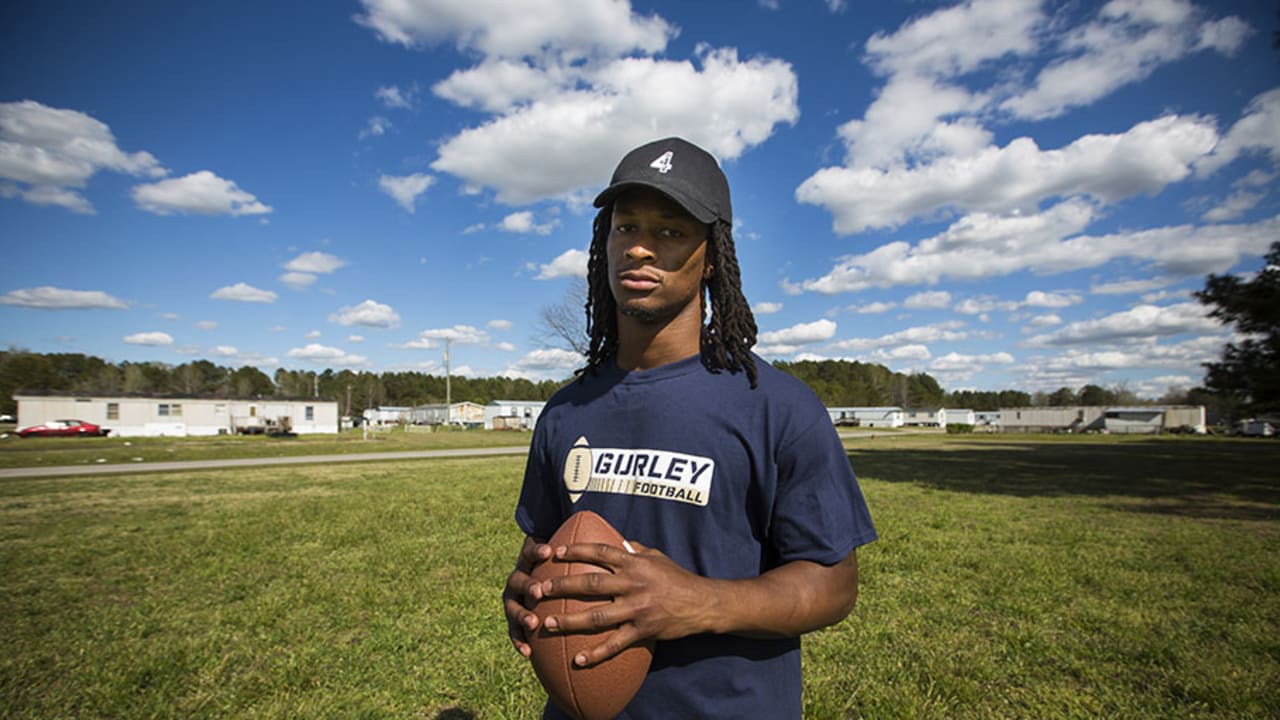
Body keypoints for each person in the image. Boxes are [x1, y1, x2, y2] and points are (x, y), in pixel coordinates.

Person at [503, 137, 877, 718]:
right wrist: (531, 589)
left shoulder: (777, 406)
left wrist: (697, 601)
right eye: (625, 228)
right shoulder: (566, 411)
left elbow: (834, 585)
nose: (640, 249)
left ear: (711, 256)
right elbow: (549, 544)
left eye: (670, 232)